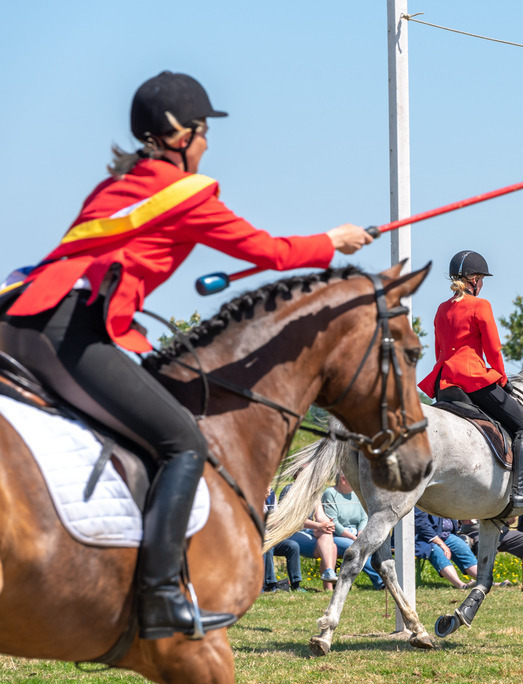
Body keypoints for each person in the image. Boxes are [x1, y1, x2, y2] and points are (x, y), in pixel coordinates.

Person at [0, 72, 373, 640]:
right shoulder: (187, 194)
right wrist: (333, 241)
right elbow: (268, 251)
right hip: (65, 329)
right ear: (180, 134)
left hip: (19, 316)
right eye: (203, 131)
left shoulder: (118, 185)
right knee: (183, 442)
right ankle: (158, 595)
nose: (207, 143)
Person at [417, 251, 523, 510]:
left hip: (445, 384)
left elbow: (439, 350)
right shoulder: (480, 305)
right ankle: (519, 491)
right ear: (474, 279)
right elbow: (493, 349)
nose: (482, 283)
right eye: (482, 279)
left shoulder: (442, 309)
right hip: (472, 380)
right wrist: (502, 378)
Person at [321, 471, 385, 590]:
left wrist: (360, 532)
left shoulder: (355, 494)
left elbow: (363, 517)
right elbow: (333, 522)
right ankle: (381, 581)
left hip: (356, 533)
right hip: (336, 535)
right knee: (357, 548)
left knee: (376, 544)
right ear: (343, 480)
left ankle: (385, 577)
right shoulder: (330, 493)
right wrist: (353, 538)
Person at [459, 519, 523, 587]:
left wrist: (511, 515)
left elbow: (511, 521)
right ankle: (485, 582)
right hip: (477, 531)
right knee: (487, 544)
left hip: (502, 532)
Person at [414, 508, 478, 589]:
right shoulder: (421, 502)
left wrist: (462, 521)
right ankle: (462, 585)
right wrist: (441, 544)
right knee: (438, 552)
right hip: (424, 537)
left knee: (462, 547)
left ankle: (485, 581)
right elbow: (420, 524)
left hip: (446, 535)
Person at [262, 488, 303, 593]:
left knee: (293, 546)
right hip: (257, 538)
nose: (268, 487)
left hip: (271, 535)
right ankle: (270, 584)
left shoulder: (271, 495)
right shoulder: (251, 494)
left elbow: (277, 517)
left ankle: (296, 584)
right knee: (268, 546)